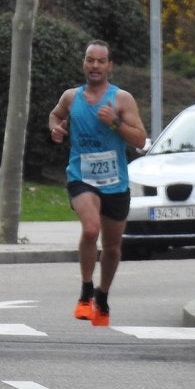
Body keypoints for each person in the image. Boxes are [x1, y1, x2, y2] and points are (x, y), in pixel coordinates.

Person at [49, 40, 148, 326]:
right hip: (81, 177)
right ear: (84, 63)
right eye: (90, 60)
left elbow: (140, 140)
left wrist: (115, 123)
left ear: (109, 66)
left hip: (115, 182)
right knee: (91, 229)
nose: (94, 66)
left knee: (114, 247)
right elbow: (55, 115)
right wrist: (55, 129)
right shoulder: (71, 97)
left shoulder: (122, 100)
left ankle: (102, 297)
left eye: (100, 61)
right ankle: (85, 291)